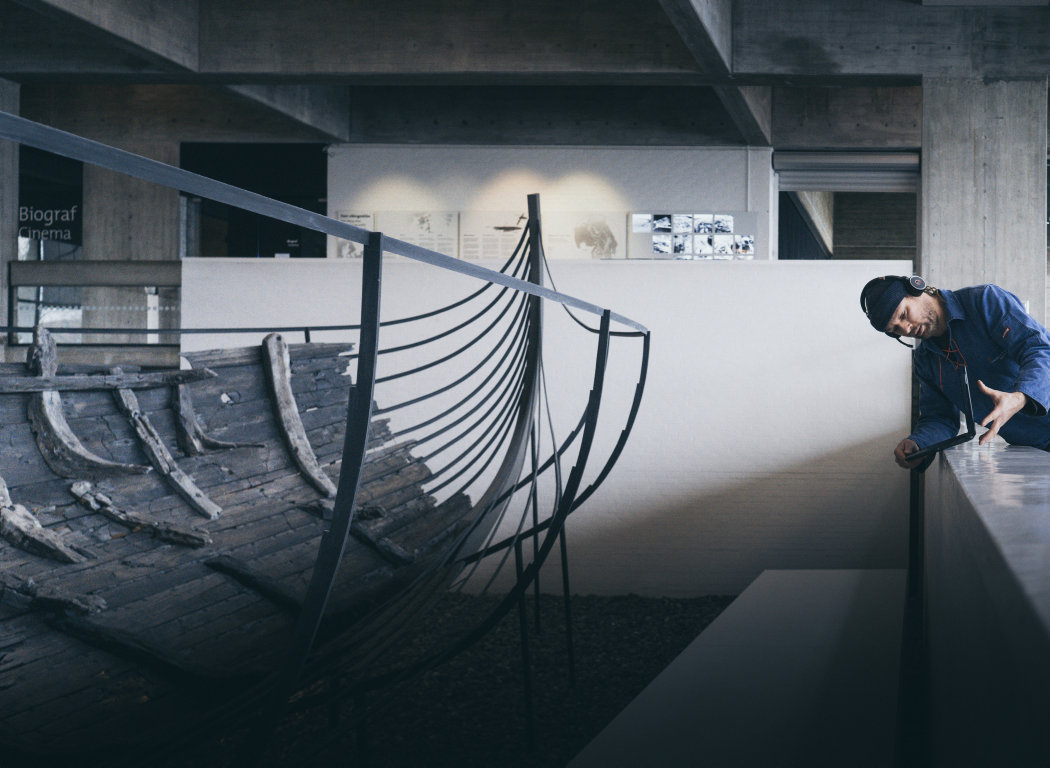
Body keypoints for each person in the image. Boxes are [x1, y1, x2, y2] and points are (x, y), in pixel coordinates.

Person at [859, 275, 1050, 469]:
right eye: (896, 329)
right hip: (1038, 447)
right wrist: (919, 443)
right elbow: (939, 417)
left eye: (903, 315)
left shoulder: (984, 300)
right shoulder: (925, 361)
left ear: (917, 288)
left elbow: (1039, 349)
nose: (906, 328)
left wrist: (1021, 398)